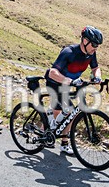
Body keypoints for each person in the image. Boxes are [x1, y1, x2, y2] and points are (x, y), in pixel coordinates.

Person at [44, 26, 103, 154]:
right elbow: (52, 73)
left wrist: (97, 77)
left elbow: (95, 68)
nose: (95, 47)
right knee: (70, 111)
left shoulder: (91, 53)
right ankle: (53, 129)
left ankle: (61, 140)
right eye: (94, 44)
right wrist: (71, 81)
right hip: (54, 83)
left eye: (97, 45)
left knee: (71, 113)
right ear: (85, 40)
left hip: (68, 85)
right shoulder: (69, 52)